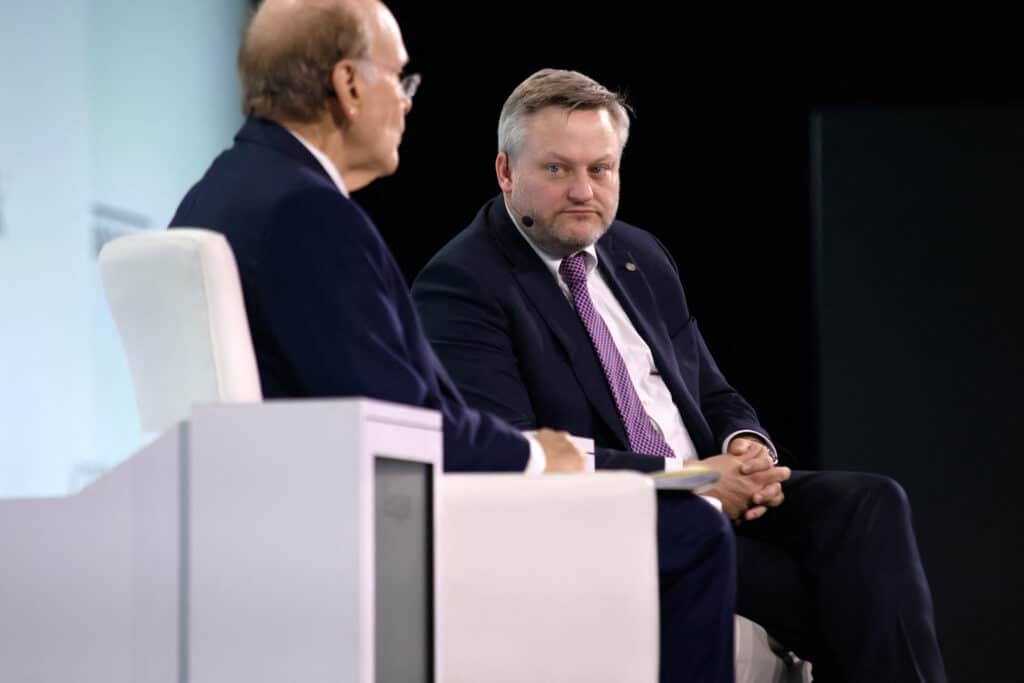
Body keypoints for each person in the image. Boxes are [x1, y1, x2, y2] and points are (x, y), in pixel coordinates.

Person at [169, 6, 736, 681]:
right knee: (690, 533)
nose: (406, 104)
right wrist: (538, 454)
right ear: (349, 86)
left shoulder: (217, 193)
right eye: (400, 79)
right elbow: (401, 429)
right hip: (377, 536)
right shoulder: (307, 214)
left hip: (288, 525)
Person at [411, 68, 948, 682]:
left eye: (601, 169)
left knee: (871, 502)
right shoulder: (464, 284)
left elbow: (712, 391)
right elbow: (516, 453)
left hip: (717, 482)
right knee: (852, 598)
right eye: (557, 169)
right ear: (506, 173)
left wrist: (744, 448)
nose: (583, 191)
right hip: (628, 512)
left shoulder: (638, 253)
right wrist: (692, 481)